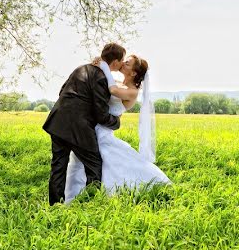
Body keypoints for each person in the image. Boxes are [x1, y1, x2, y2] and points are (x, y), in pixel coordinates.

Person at [63, 54, 170, 203]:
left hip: (103, 130)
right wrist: (97, 65)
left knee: (90, 161)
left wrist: (105, 67)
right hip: (92, 126)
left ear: (133, 73)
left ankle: (80, 197)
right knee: (77, 160)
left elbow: (112, 91)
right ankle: (72, 197)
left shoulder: (132, 92)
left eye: (127, 63)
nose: (123, 63)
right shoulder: (119, 82)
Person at [42, 43, 125, 205]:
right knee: (94, 165)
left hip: (58, 121)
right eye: (122, 60)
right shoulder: (101, 77)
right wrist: (116, 122)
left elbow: (62, 90)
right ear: (115, 62)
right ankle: (90, 205)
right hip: (78, 127)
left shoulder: (81, 69)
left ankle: (55, 206)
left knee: (58, 166)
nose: (122, 63)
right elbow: (101, 115)